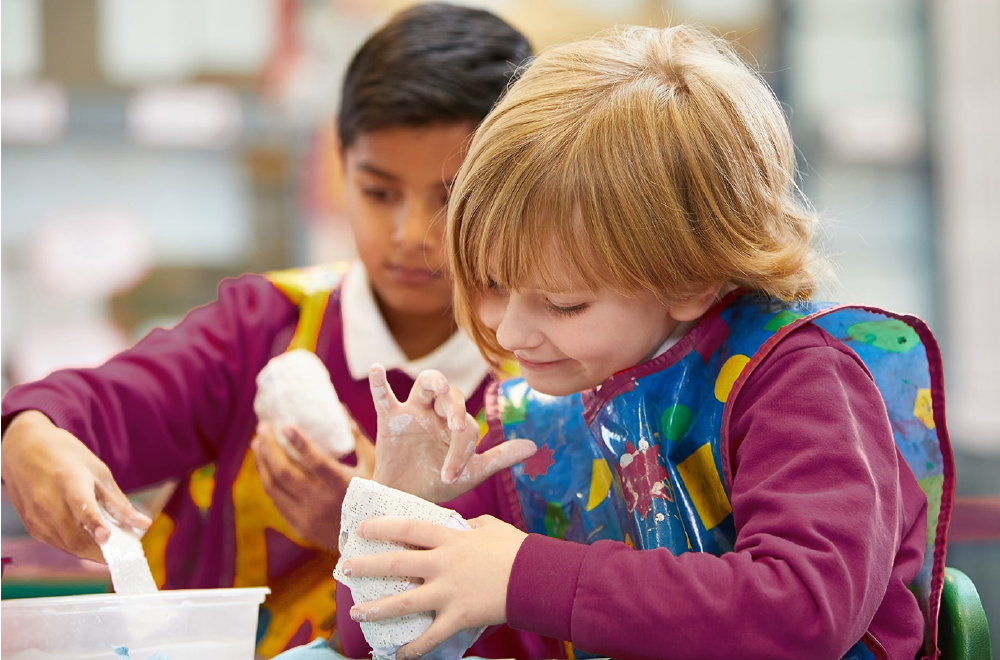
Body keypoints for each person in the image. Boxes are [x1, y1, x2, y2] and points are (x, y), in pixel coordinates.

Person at [333, 23, 954, 660]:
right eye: (491, 282)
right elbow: (377, 640)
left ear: (690, 275)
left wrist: (524, 575)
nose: (510, 331)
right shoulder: (530, 423)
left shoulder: (798, 383)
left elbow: (804, 609)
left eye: (564, 303)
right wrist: (398, 504)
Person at [0, 4, 562, 658]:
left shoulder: (550, 377)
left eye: (449, 198)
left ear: (516, 192)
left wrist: (369, 531)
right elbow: (100, 406)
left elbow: (548, 620)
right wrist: (30, 432)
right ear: (338, 167)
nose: (411, 234)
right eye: (379, 192)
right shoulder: (265, 327)